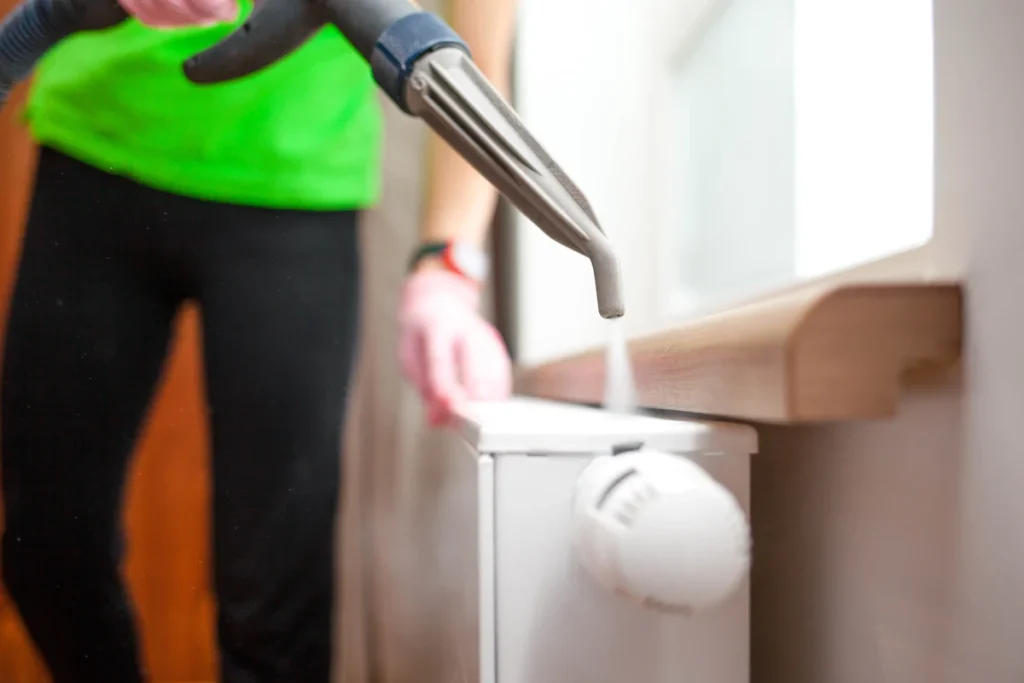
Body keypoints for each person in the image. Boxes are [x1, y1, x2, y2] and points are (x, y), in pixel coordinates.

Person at [0, 0, 515, 679]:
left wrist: (447, 270)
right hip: (95, 146)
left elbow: (475, 47)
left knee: (276, 604)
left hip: (296, 190)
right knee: (44, 545)